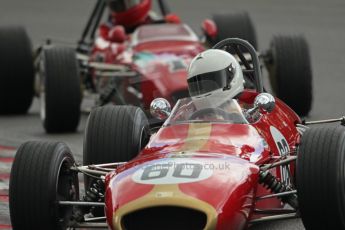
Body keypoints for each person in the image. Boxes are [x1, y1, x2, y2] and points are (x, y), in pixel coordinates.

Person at [186, 49, 248, 122]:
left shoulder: (248, 106)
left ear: (230, 76)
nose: (202, 89)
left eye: (208, 84)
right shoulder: (188, 110)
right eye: (196, 86)